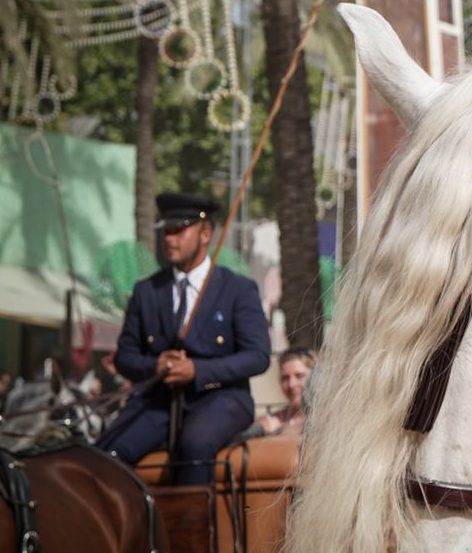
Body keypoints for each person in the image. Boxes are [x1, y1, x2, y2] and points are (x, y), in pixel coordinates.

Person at [96, 192, 271, 485]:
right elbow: (125, 356)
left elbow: (258, 356)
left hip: (221, 397)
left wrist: (197, 370)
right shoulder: (146, 291)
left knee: (194, 446)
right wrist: (156, 365)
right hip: (160, 400)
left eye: (179, 230)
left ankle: (192, 517)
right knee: (106, 454)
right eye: (166, 230)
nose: (169, 238)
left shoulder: (237, 289)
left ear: (205, 234)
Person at [240, 347, 315, 440]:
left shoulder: (327, 420)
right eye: (285, 378)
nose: (291, 384)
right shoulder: (270, 423)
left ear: (316, 377)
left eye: (299, 376)